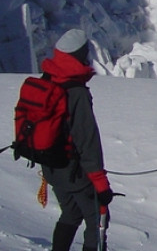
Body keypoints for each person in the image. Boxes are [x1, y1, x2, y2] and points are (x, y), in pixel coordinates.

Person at [42, 29, 114, 251]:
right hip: (74, 171)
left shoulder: (48, 79)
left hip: (51, 167)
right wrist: (101, 183)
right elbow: (87, 141)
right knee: (97, 219)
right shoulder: (76, 92)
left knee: (71, 213)